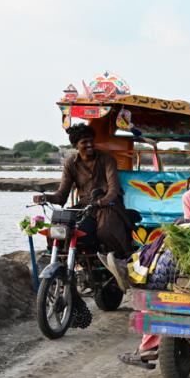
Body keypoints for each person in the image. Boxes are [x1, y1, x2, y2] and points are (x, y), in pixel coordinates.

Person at [36, 123, 133, 290]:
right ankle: (66, 264)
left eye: (91, 141)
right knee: (58, 227)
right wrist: (45, 197)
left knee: (105, 231)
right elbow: (61, 196)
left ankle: (119, 263)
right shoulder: (70, 163)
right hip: (84, 206)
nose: (89, 145)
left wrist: (101, 202)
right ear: (75, 145)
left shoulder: (106, 159)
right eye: (84, 142)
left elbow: (113, 189)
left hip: (108, 205)